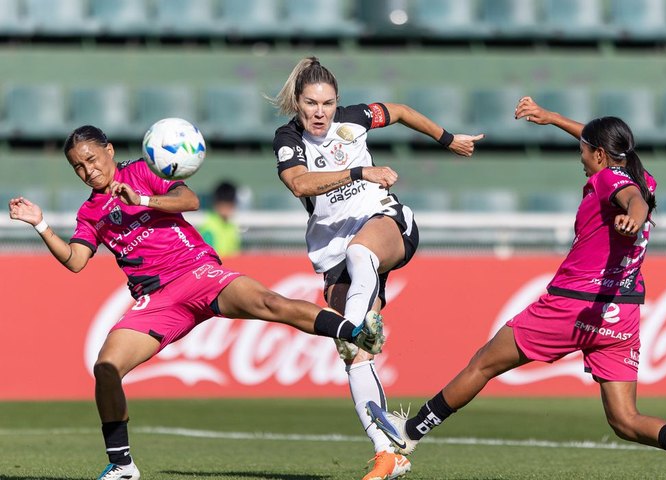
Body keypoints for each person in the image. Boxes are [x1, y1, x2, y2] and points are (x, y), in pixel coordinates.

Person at [366, 97, 666, 480]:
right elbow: (620, 169)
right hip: (620, 315)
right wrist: (552, 118)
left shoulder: (612, 181)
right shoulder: (638, 173)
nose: (580, 156)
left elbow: (633, 201)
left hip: (571, 307)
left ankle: (408, 432)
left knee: (483, 363)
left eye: (583, 150)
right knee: (625, 420)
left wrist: (634, 217)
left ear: (598, 154)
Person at [7, 125, 386, 480]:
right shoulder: (90, 213)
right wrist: (40, 224)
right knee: (106, 368)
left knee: (269, 303)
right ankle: (121, 465)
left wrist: (141, 198)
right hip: (157, 299)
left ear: (108, 151)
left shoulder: (142, 171)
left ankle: (354, 333)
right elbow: (75, 260)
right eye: (78, 167)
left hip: (196, 272)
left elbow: (186, 198)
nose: (87, 170)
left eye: (91, 159)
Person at [270, 56, 484, 480]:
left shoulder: (355, 120)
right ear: (297, 102)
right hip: (332, 251)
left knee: (360, 255)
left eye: (328, 103)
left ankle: (356, 323)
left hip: (385, 224)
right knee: (354, 355)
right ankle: (389, 453)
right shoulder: (288, 138)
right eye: (311, 103)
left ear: (337, 103)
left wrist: (448, 138)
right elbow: (298, 182)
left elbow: (400, 111)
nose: (320, 112)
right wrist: (359, 170)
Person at [198, 180, 241, 257]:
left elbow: (236, 253)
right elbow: (208, 256)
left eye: (229, 205)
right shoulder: (208, 226)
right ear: (216, 203)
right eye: (224, 205)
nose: (226, 209)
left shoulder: (232, 226)